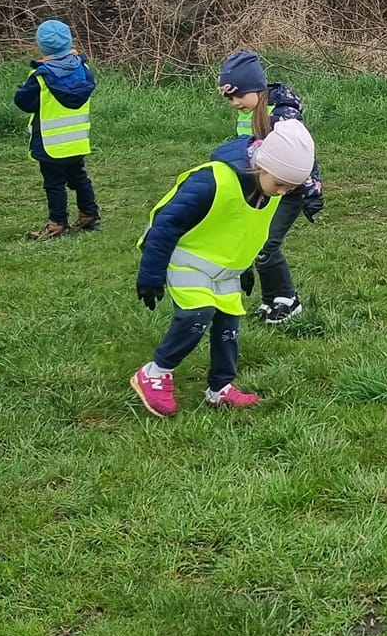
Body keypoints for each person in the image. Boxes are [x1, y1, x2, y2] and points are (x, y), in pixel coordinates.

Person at [130, 119, 318, 417]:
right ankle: (155, 372)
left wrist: (245, 267)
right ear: (262, 165)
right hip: (187, 261)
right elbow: (165, 224)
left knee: (229, 326)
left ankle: (219, 388)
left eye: (290, 187)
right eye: (280, 183)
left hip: (225, 271)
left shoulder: (269, 190)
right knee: (197, 315)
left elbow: (244, 229)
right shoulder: (211, 181)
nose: (282, 192)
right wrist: (151, 275)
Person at [216, 50, 324, 325]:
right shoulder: (250, 112)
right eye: (230, 98)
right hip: (264, 188)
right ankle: (270, 301)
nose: (235, 103)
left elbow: (304, 153)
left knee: (267, 245)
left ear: (256, 88)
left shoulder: (283, 115)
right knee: (257, 244)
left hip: (289, 191)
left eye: (239, 95)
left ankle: (289, 300)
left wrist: (312, 190)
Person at [13, 19, 98, 240]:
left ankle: (57, 224)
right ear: (69, 41)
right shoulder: (83, 69)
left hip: (50, 143)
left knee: (54, 184)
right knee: (79, 177)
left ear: (41, 46)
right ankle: (89, 215)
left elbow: (24, 103)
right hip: (77, 140)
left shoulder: (40, 76)